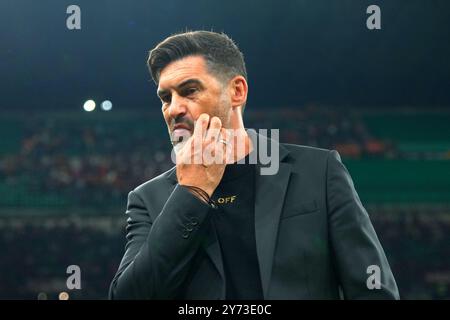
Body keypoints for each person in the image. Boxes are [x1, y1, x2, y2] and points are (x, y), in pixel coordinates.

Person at [109, 30, 399, 299]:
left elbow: (372, 290)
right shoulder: (147, 199)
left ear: (237, 91)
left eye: (189, 90)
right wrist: (192, 192)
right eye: (165, 97)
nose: (173, 109)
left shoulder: (319, 172)